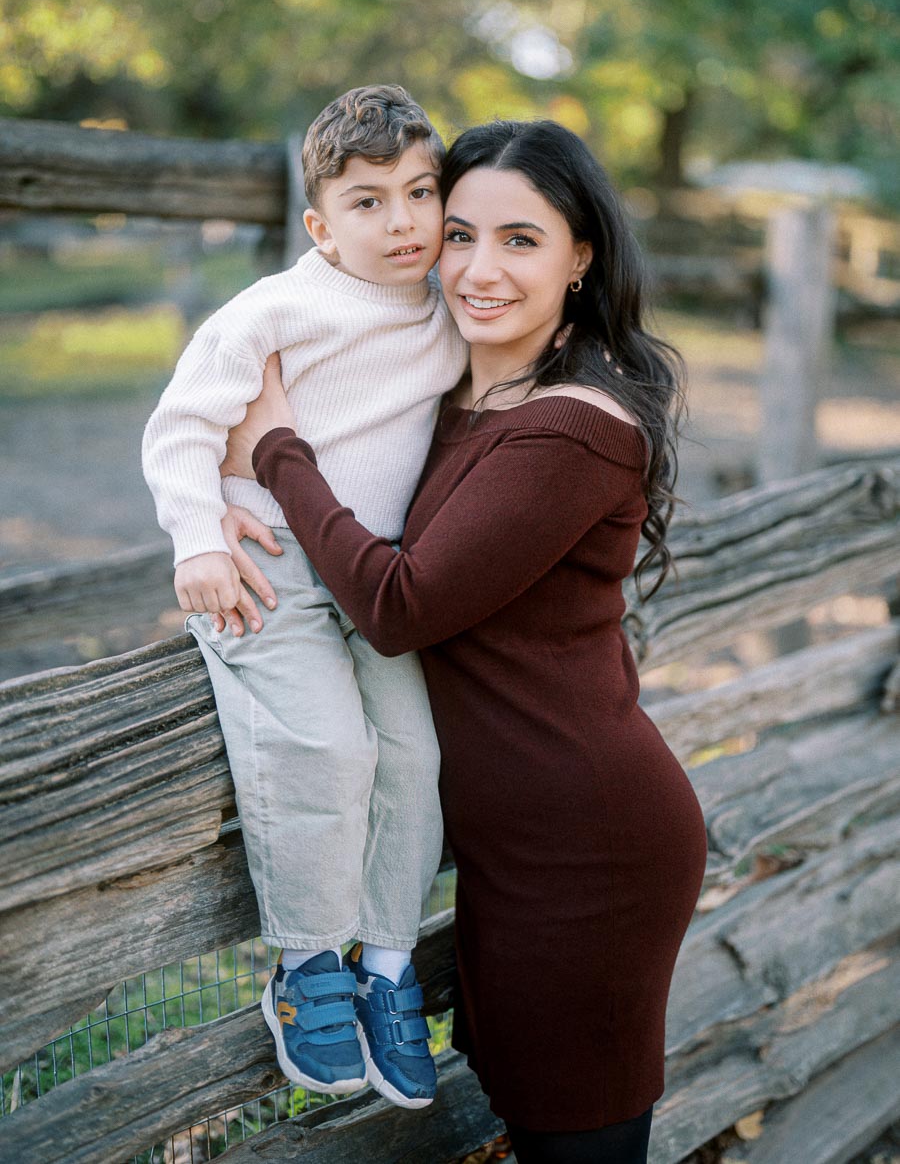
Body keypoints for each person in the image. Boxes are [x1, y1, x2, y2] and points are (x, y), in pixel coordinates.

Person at [215, 118, 709, 1162]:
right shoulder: (458, 395)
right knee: (530, 1117)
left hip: (587, 850)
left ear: (582, 258)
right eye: (461, 234)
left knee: (579, 1140)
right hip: (501, 843)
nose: (480, 269)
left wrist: (277, 451)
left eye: (521, 240)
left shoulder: (574, 428)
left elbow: (398, 604)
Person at [141, 85, 469, 1108]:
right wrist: (198, 536)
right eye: (368, 203)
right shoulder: (275, 310)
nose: (403, 221)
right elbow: (182, 424)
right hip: (268, 561)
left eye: (420, 192)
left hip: (376, 576)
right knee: (325, 746)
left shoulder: (451, 313)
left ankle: (383, 963)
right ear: (321, 226)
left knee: (414, 757)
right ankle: (307, 962)